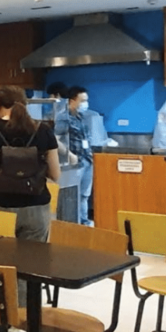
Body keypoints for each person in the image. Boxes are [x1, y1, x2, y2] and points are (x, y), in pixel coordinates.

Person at [0, 85, 61, 242]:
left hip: (0, 203)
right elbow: (55, 174)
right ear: (25, 105)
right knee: (33, 257)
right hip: (36, 206)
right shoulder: (43, 130)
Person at [59, 85, 94, 226]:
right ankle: (74, 225)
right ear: (72, 101)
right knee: (73, 196)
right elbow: (56, 139)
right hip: (73, 163)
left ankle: (84, 222)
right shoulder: (63, 118)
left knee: (84, 195)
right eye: (82, 101)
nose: (85, 104)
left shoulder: (81, 117)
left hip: (87, 160)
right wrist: (70, 155)